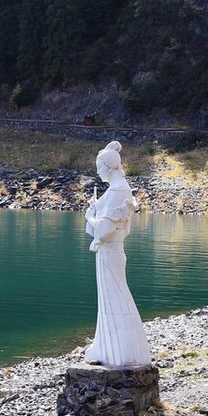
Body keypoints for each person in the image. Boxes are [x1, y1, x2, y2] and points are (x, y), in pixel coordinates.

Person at [83, 141, 152, 367]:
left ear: (109, 167)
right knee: (112, 301)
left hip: (110, 253)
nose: (98, 172)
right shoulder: (120, 188)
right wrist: (97, 209)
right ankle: (106, 346)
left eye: (99, 167)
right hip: (112, 251)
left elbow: (104, 228)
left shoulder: (117, 190)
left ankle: (120, 352)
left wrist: (89, 217)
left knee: (116, 301)